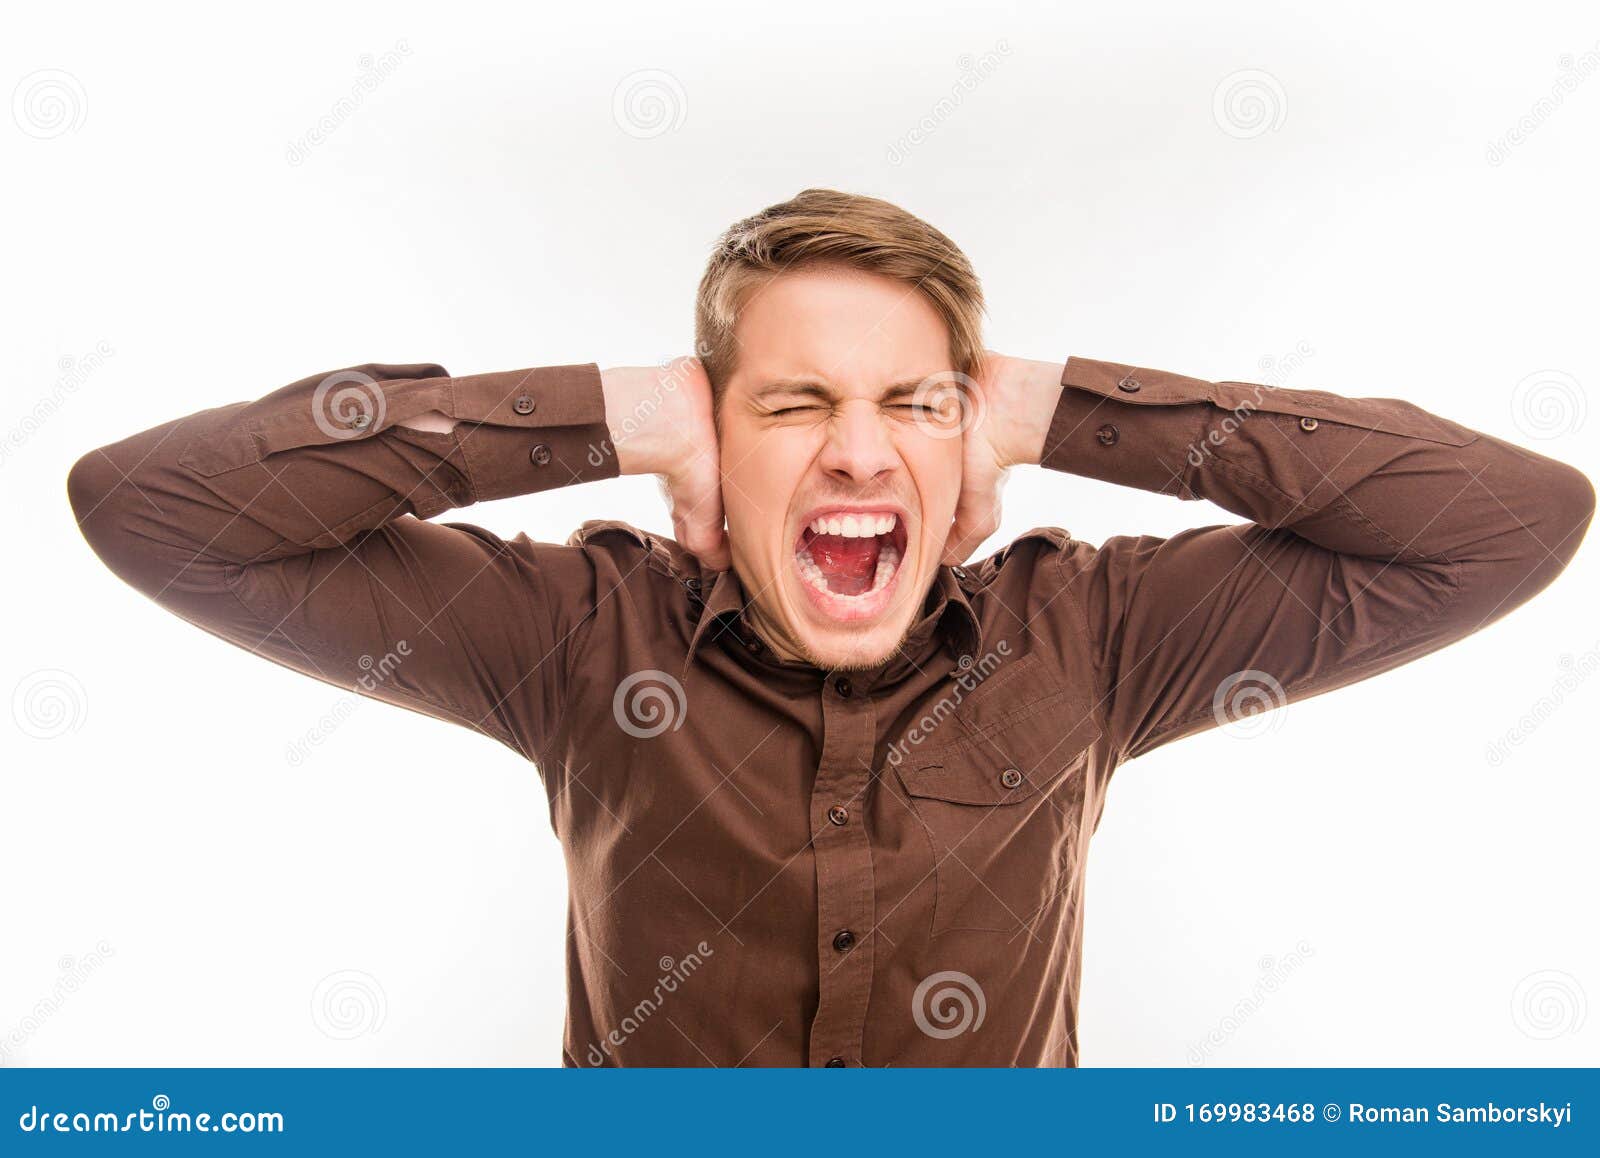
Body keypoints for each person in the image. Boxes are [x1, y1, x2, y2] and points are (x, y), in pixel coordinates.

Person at [67, 188, 1594, 1066]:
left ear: (966, 450)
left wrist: (1060, 405)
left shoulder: (1100, 635)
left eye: (914, 408)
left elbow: (1507, 517)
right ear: (712, 442)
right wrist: (611, 414)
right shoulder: (581, 639)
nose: (859, 455)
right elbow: (152, 508)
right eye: (793, 405)